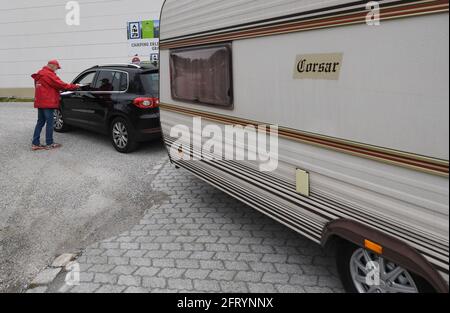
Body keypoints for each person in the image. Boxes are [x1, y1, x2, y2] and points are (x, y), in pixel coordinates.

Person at [31, 60, 80, 151]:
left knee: (40, 122)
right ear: (52, 65)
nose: (56, 70)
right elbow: (61, 85)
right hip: (48, 102)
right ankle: (49, 143)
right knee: (50, 123)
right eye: (57, 68)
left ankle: (35, 143)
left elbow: (44, 87)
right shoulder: (49, 74)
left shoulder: (39, 74)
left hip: (40, 102)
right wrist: (75, 86)